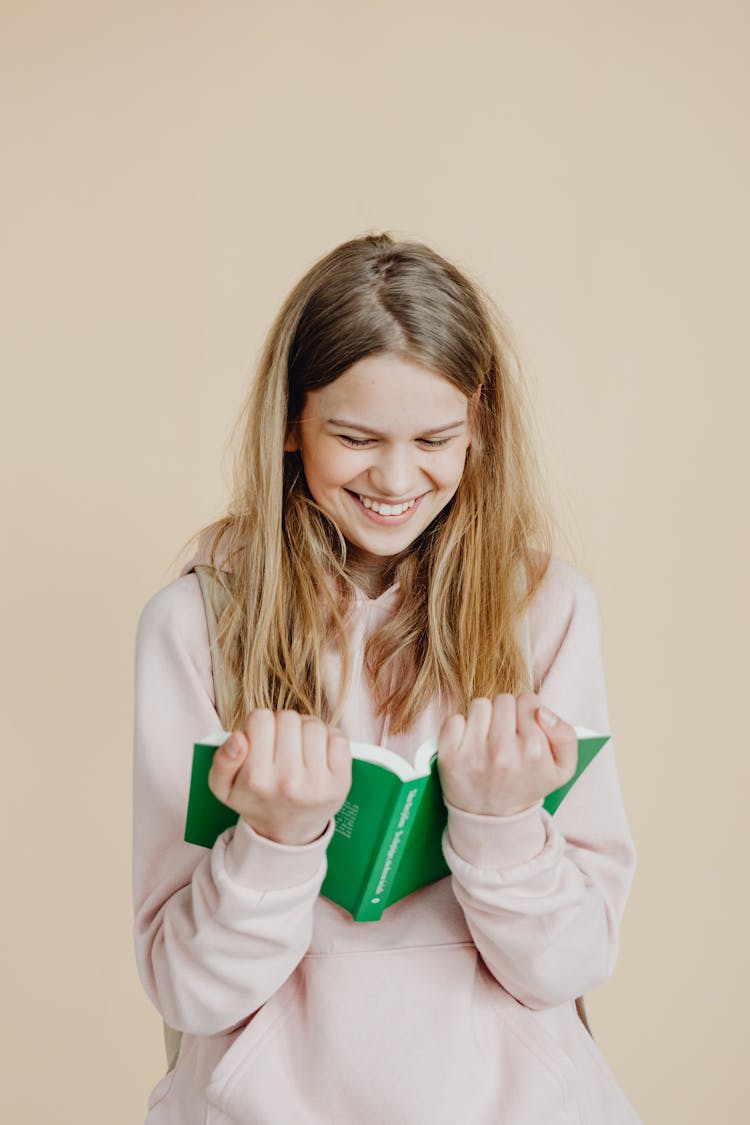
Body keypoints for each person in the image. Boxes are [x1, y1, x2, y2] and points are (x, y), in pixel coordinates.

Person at [132, 232, 641, 1124]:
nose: (397, 477)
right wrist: (278, 839)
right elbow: (186, 990)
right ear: (291, 421)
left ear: (478, 420)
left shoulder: (547, 608)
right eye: (356, 437)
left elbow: (571, 963)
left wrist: (503, 824)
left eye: (435, 437)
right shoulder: (196, 625)